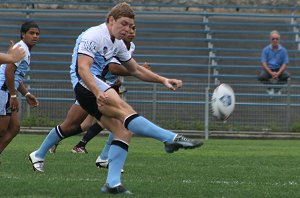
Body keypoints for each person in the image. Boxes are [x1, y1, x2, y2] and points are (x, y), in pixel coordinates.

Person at [29, 2, 203, 195]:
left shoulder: (118, 43)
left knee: (121, 131)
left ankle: (111, 183)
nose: (128, 29)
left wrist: (163, 80)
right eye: (124, 24)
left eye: (131, 25)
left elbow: (135, 69)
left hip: (97, 86)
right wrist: (97, 92)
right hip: (86, 85)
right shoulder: (93, 35)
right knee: (124, 112)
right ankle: (170, 138)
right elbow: (83, 69)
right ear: (111, 20)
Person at [0, 21, 39, 159]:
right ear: (23, 34)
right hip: (3, 90)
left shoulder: (24, 49)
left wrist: (26, 93)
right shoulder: (21, 49)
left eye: (37, 34)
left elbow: (16, 76)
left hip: (7, 91)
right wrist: (13, 95)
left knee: (14, 127)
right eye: (31, 33)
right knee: (2, 129)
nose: (35, 36)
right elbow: (8, 72)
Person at [258, 30, 290, 95]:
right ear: (270, 39)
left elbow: (285, 63)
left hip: (279, 68)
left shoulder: (283, 50)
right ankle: (270, 88)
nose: (275, 40)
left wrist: (278, 73)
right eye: (273, 39)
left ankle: (276, 89)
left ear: (279, 40)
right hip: (269, 69)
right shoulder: (265, 49)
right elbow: (264, 63)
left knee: (287, 76)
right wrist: (271, 73)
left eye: (277, 39)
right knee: (261, 76)